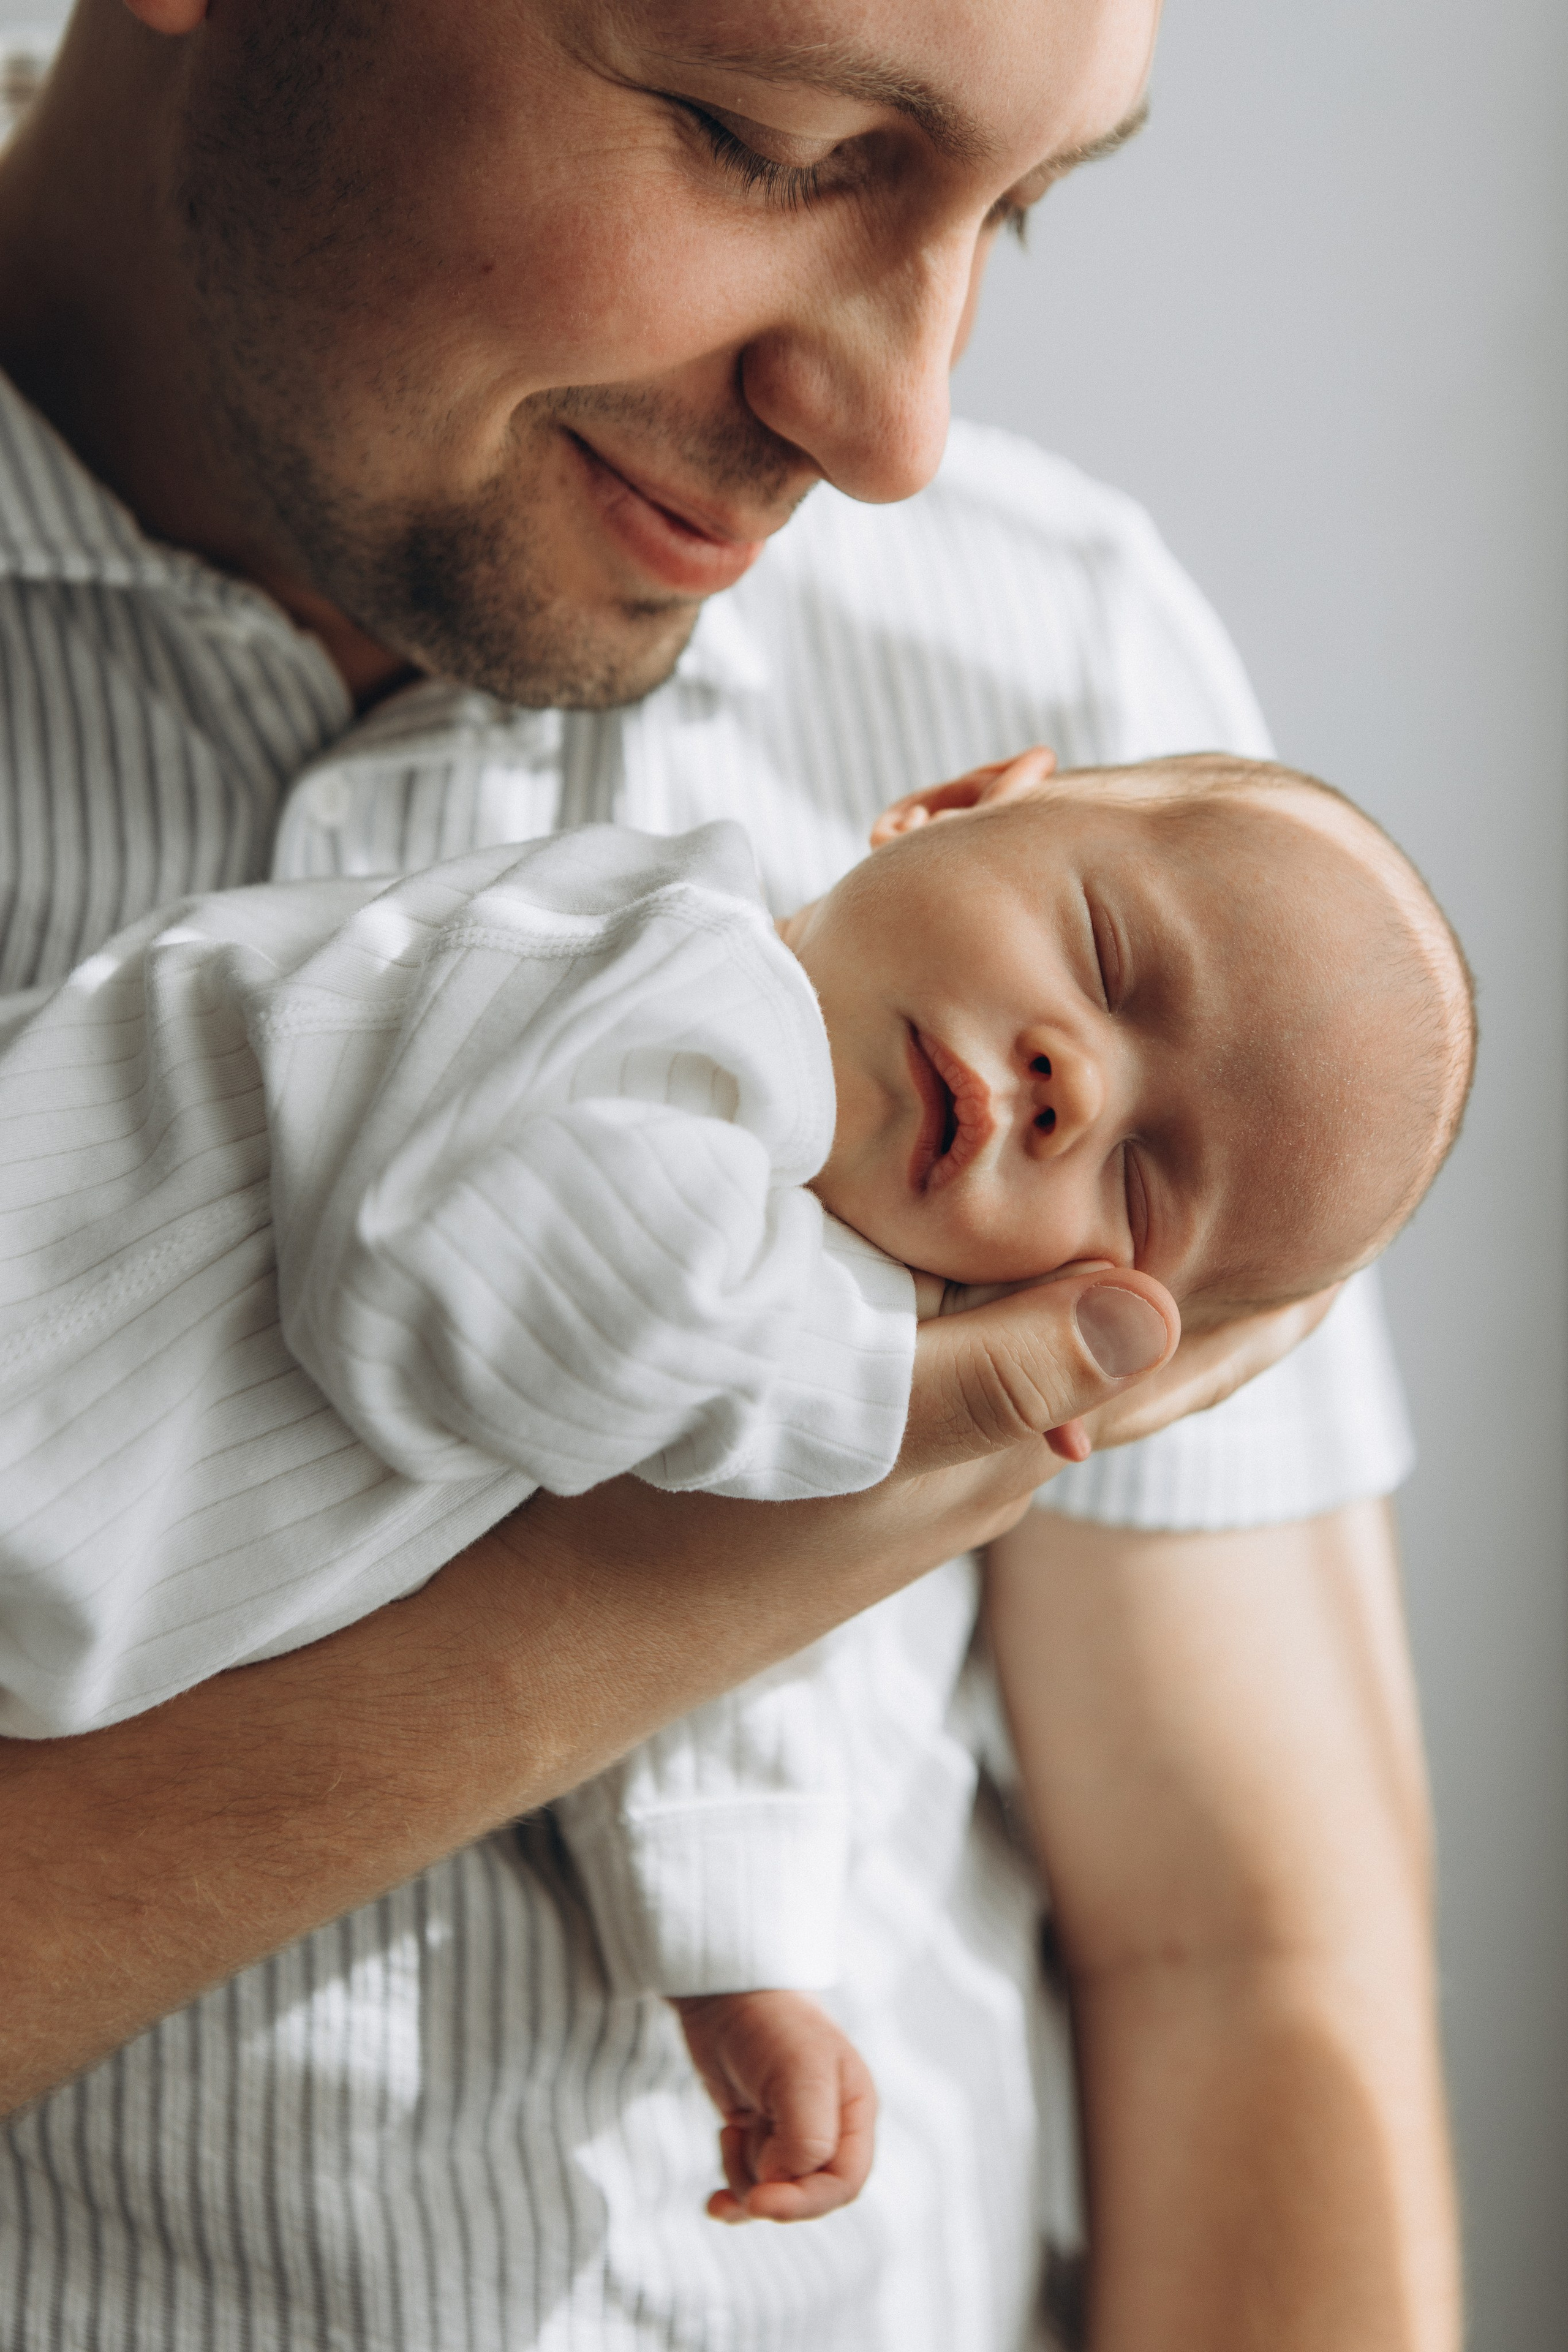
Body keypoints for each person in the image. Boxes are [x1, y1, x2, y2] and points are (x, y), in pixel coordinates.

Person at [0, 4, 1461, 2350]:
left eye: (1020, 208)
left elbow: (1247, 1963)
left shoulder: (1111, 744)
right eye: (765, 140)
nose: (897, 433)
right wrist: (748, 1548)